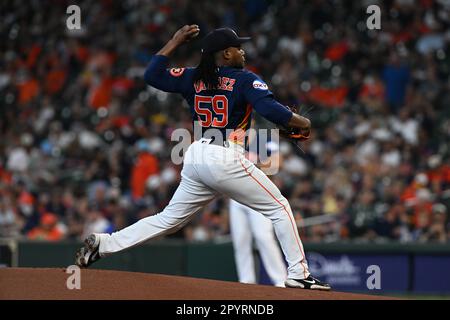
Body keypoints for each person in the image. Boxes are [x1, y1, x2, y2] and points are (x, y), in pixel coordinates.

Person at [75, 25, 330, 290]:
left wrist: (174, 41)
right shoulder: (244, 79)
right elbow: (270, 109)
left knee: (167, 219)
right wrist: (303, 121)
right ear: (227, 54)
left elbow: (152, 75)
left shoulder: (193, 77)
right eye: (237, 48)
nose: (242, 52)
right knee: (279, 208)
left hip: (196, 155)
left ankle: (105, 244)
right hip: (224, 156)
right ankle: (299, 273)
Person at [229, 140, 287, 287]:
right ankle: (246, 281)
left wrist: (249, 165)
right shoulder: (233, 140)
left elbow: (277, 163)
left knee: (263, 237)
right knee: (240, 241)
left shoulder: (267, 139)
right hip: (237, 195)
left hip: (259, 194)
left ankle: (280, 280)